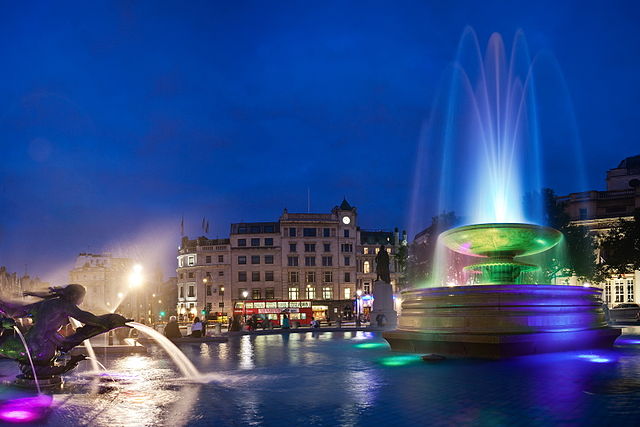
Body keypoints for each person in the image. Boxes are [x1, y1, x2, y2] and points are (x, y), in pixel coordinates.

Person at [0, 284, 130, 377]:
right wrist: (113, 321)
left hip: (24, 347)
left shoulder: (46, 303)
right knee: (70, 341)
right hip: (42, 349)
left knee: (63, 341)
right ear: (74, 296)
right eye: (82, 297)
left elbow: (16, 312)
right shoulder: (65, 305)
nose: (82, 301)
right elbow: (91, 320)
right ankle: (47, 371)